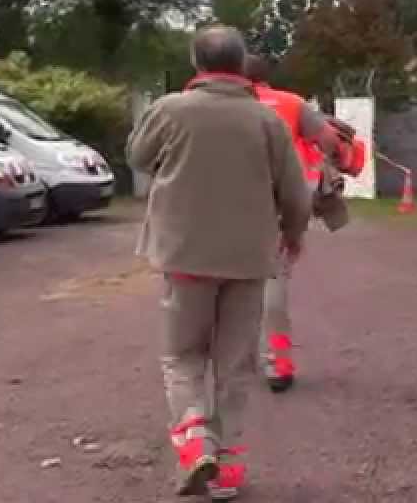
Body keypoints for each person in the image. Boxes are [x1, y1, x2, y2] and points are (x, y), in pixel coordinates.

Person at [128, 26, 311, 500]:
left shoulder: (169, 110)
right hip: (248, 259)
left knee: (181, 355)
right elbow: (294, 192)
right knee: (235, 364)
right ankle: (227, 470)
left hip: (184, 255)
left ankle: (193, 443)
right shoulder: (266, 120)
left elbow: (138, 157)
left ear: (197, 63)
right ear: (240, 63)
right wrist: (293, 235)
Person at [242, 53, 362, 393]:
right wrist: (339, 161)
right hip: (280, 203)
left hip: (227, 205)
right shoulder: (290, 104)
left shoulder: (215, 106)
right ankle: (278, 363)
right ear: (267, 77)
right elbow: (332, 144)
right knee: (273, 281)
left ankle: (228, 360)